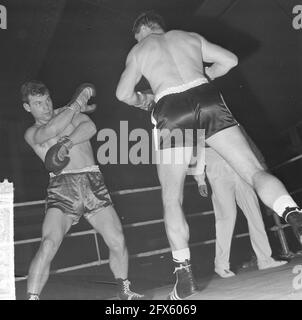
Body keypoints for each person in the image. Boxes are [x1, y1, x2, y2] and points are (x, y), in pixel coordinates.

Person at [116, 11, 302, 300]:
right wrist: (205, 75)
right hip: (207, 97)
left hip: (170, 108)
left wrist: (144, 101)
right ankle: (295, 216)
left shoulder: (140, 49)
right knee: (254, 173)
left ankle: (184, 275)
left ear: (140, 31)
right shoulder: (188, 37)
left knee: (171, 197)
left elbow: (122, 94)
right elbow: (230, 60)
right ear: (159, 26)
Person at [22, 80, 146, 300]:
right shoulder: (32, 132)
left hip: (92, 181)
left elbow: (89, 127)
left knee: (117, 239)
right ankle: (32, 298)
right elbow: (51, 129)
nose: (46, 106)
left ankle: (124, 291)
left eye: (48, 99)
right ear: (28, 107)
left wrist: (67, 143)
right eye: (38, 103)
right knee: (49, 243)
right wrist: (77, 103)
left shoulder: (69, 113)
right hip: (63, 188)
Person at [193, 143, 287, 278]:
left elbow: (244, 145)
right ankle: (221, 265)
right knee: (226, 218)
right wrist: (200, 180)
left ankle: (265, 260)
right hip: (216, 169)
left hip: (238, 167)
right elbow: (195, 149)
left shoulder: (232, 122)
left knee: (255, 214)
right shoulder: (196, 127)